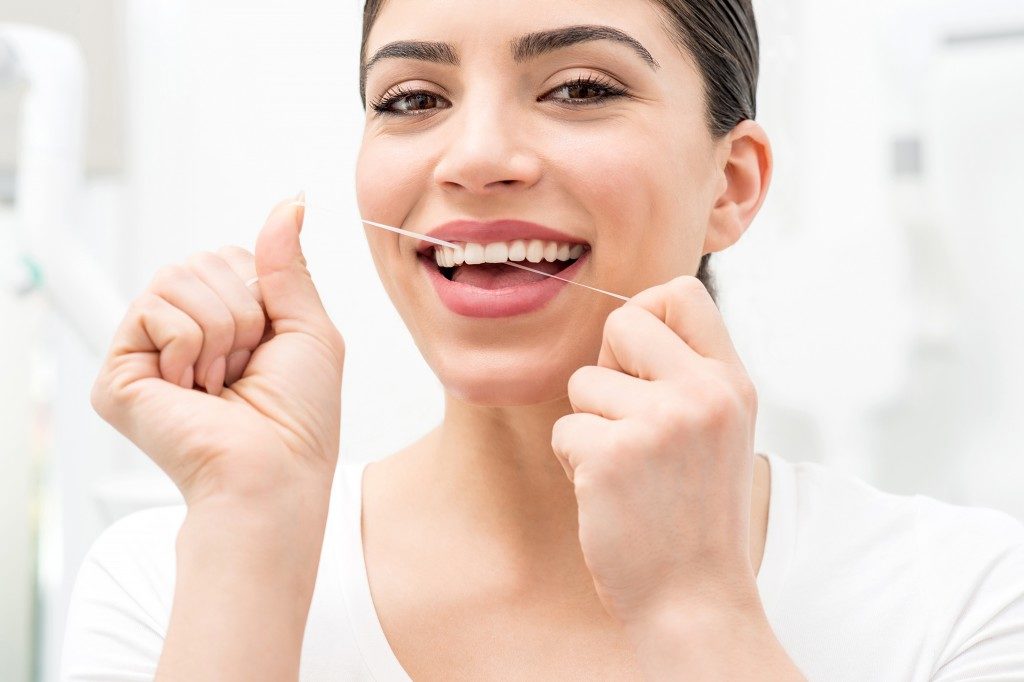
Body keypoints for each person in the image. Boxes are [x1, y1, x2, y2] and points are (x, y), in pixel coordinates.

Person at [61, 1, 1024, 680]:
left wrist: (693, 608)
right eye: (411, 98)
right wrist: (252, 537)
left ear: (730, 185)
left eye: (576, 87)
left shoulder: (969, 598)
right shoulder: (173, 579)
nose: (475, 157)